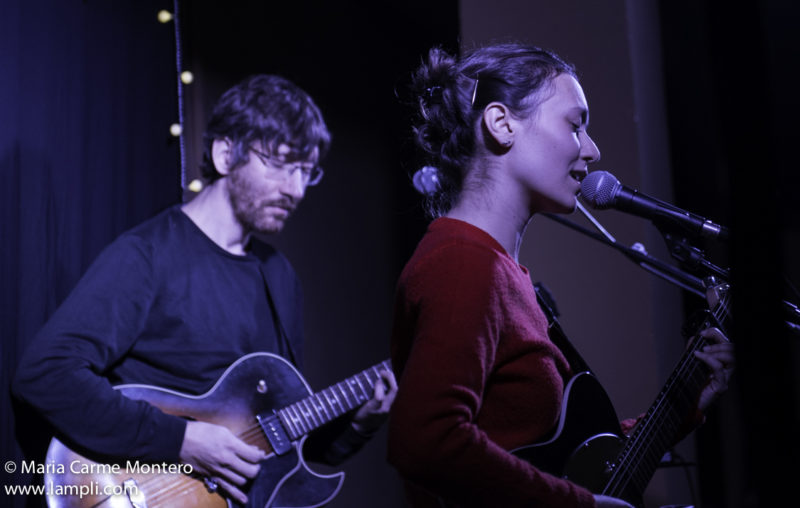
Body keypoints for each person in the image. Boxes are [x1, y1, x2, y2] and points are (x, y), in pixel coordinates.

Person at [13, 74, 397, 506]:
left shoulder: (280, 277)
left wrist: (358, 426)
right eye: (280, 163)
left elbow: (278, 445)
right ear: (224, 154)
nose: (294, 189)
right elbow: (44, 375)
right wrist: (181, 441)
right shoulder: (147, 255)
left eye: (305, 172)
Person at [386, 44, 735, 508]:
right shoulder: (462, 262)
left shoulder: (499, 271)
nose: (592, 150)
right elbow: (426, 442)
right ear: (501, 123)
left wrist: (682, 408)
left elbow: (565, 464)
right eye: (575, 125)